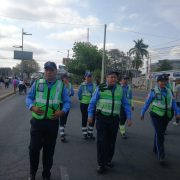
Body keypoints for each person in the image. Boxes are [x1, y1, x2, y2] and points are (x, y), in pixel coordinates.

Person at [26, 61, 70, 180]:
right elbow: (29, 98)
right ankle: (32, 173)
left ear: (56, 72)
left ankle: (46, 173)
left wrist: (62, 111)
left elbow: (67, 102)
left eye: (51, 70)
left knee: (49, 150)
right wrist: (32, 107)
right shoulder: (38, 82)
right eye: (46, 70)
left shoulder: (61, 86)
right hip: (37, 122)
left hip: (52, 122)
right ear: (44, 71)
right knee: (34, 149)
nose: (48, 72)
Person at [88, 70, 132, 174]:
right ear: (106, 78)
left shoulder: (120, 89)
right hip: (102, 118)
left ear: (117, 79)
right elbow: (92, 102)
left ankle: (108, 160)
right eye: (111, 77)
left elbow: (126, 104)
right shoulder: (101, 88)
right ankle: (101, 164)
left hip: (114, 119)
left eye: (115, 77)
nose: (113, 79)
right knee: (101, 141)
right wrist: (90, 115)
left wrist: (129, 117)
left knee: (111, 142)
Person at [140, 74, 179, 164]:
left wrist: (177, 113)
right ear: (158, 82)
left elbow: (173, 103)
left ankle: (155, 148)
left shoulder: (169, 91)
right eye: (161, 81)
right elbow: (147, 103)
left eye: (165, 81)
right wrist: (142, 113)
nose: (163, 83)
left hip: (166, 116)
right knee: (160, 135)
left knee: (159, 132)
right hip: (156, 115)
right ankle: (161, 155)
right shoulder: (153, 91)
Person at [78, 72, 96, 140]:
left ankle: (90, 132)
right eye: (87, 76)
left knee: (93, 118)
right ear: (85, 77)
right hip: (84, 104)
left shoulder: (94, 85)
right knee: (84, 118)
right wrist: (82, 100)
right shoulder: (82, 85)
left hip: (92, 105)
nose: (89, 78)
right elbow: (79, 95)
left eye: (90, 76)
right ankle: (85, 133)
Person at [59, 73, 74, 142]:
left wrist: (70, 93)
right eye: (66, 78)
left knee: (65, 117)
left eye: (68, 78)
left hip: (67, 103)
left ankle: (63, 130)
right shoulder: (60, 85)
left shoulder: (70, 85)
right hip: (61, 103)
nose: (67, 79)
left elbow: (73, 93)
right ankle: (62, 134)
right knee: (62, 117)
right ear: (62, 78)